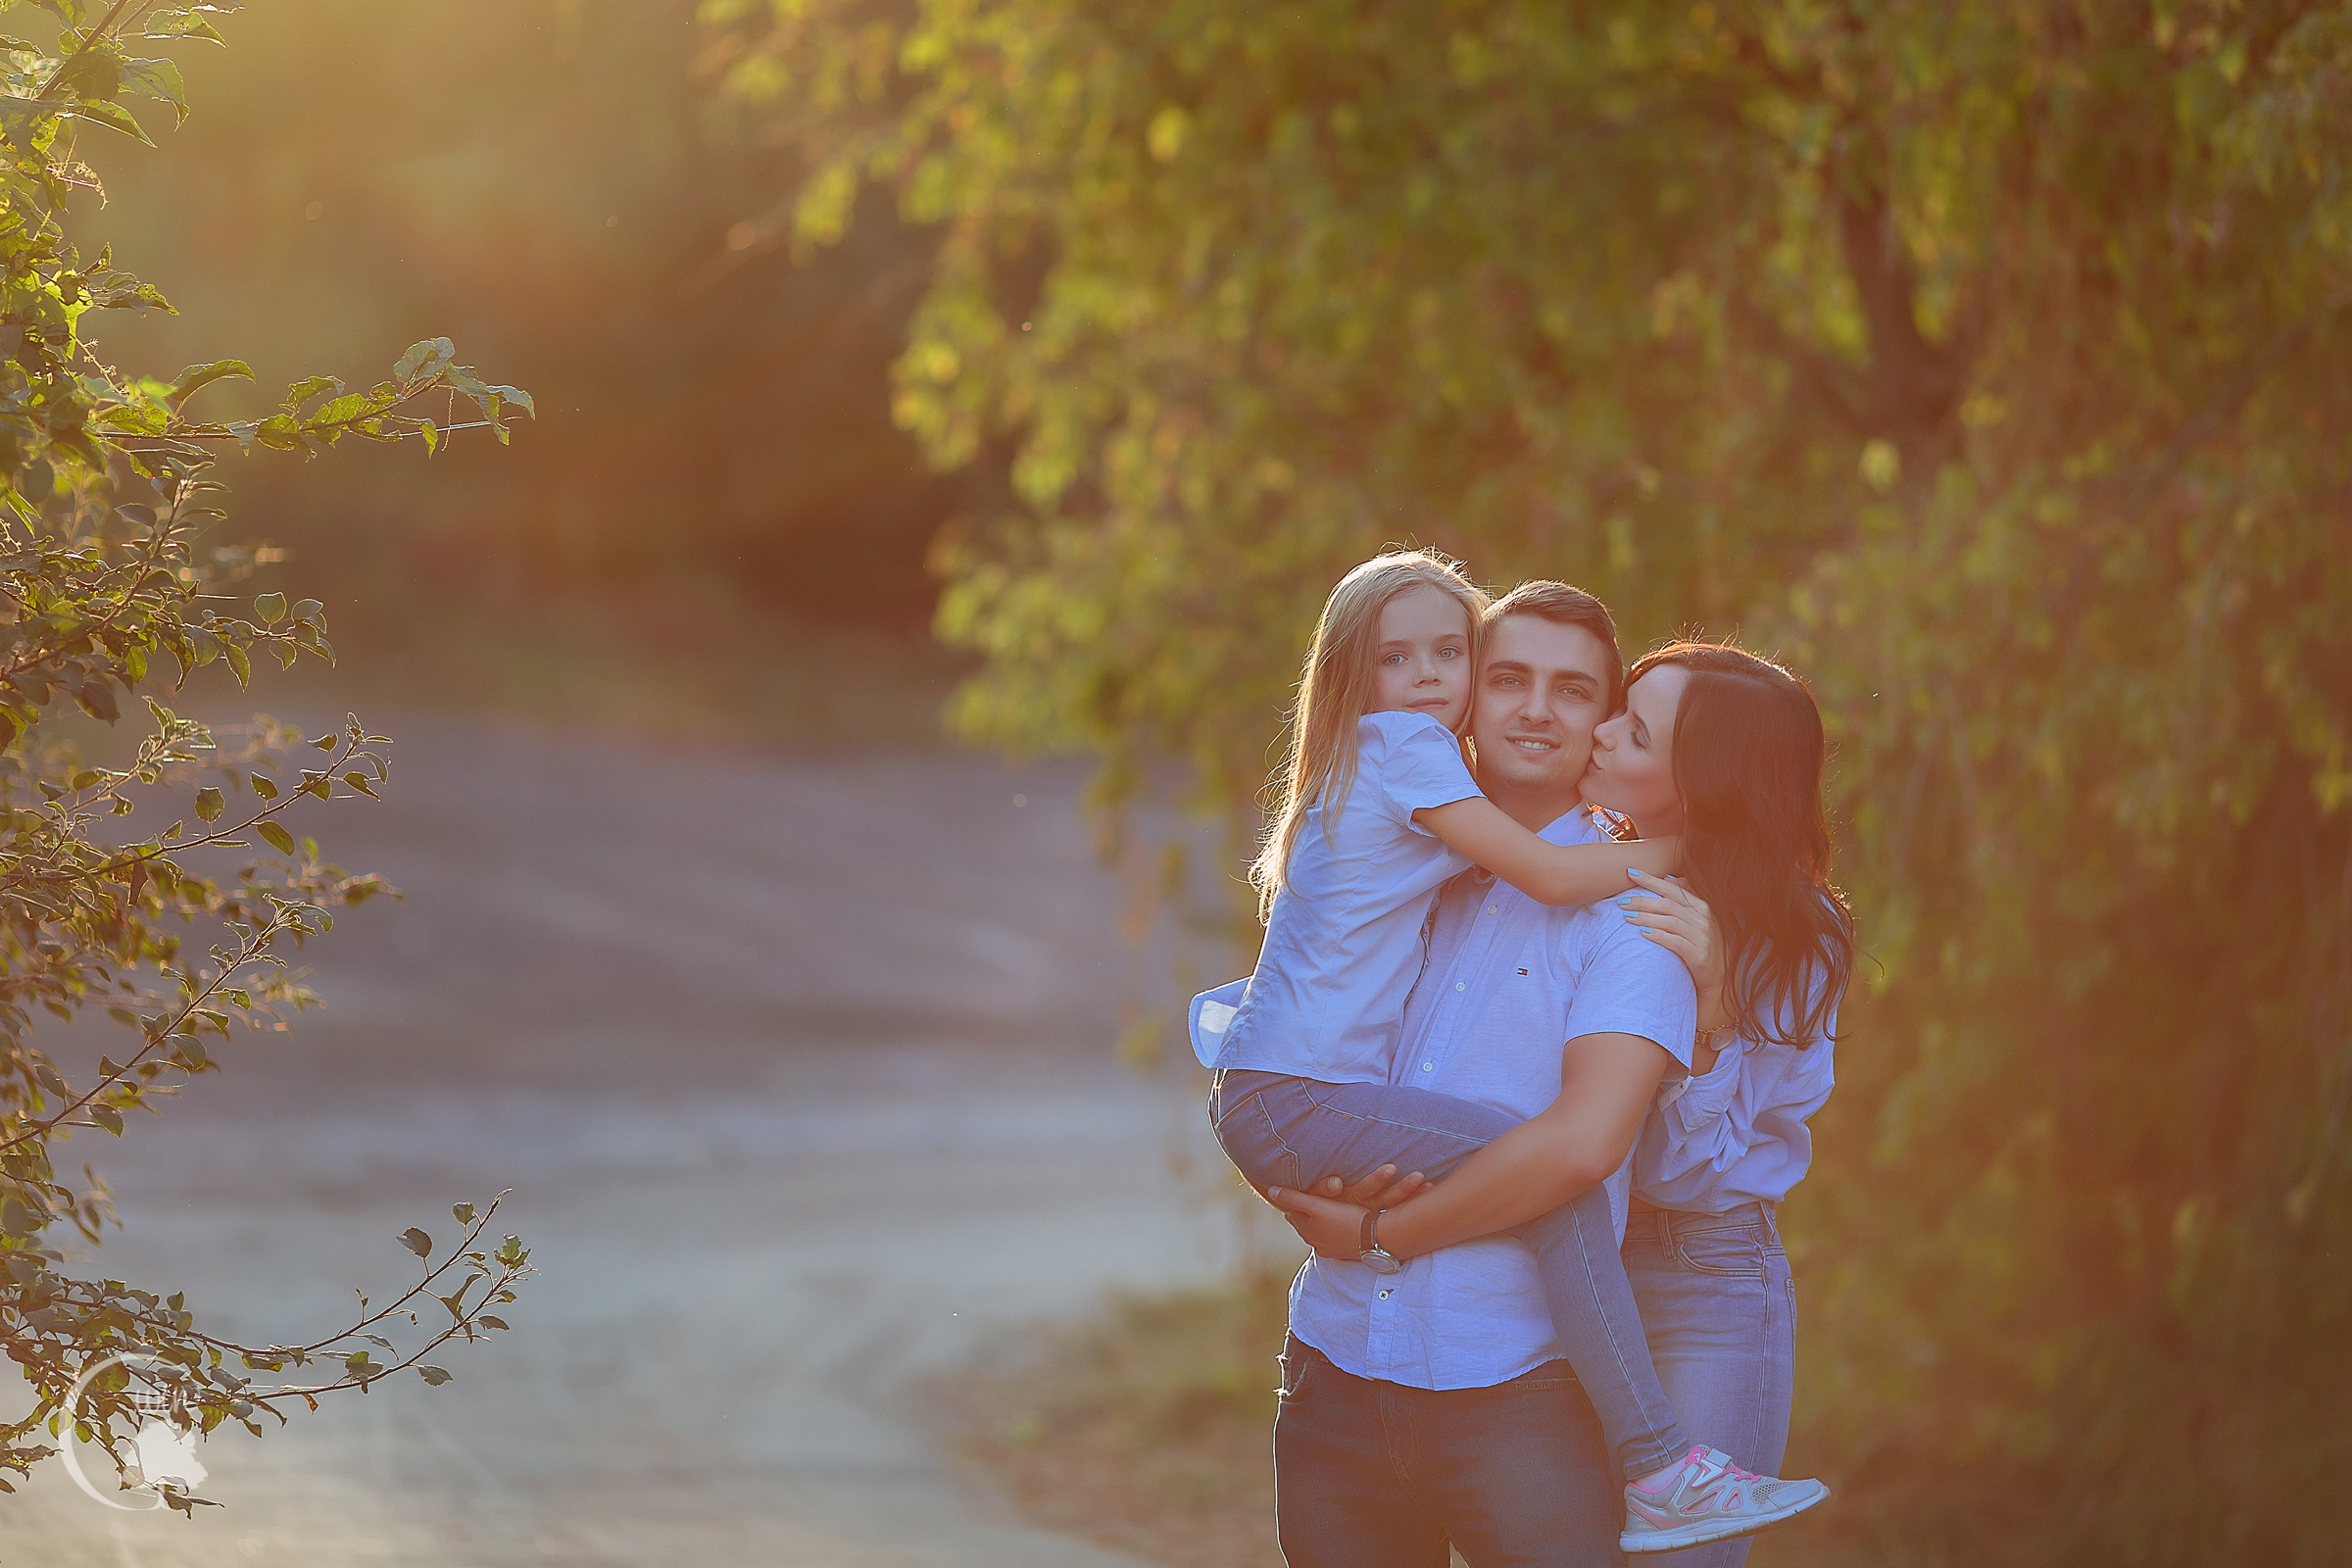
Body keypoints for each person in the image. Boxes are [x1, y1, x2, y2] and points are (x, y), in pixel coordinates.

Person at [1201, 554, 1823, 1553]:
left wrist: (1373, 1231)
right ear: (1467, 698)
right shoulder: (1417, 869)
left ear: (1603, 726)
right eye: (1508, 677)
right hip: (1338, 1362)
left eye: (1575, 690)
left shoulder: (1637, 921)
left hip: (1511, 1389)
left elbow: (1583, 1149)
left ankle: (1662, 1465)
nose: (1536, 710)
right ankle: (1662, 1464)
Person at [1600, 644, 1856, 1568]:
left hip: (1705, 1277)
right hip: (1579, 1262)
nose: (1598, 734)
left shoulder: (1798, 936)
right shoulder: (1596, 864)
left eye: (1632, 732)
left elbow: (1681, 1169)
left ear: (1702, 786)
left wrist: (1712, 1005)